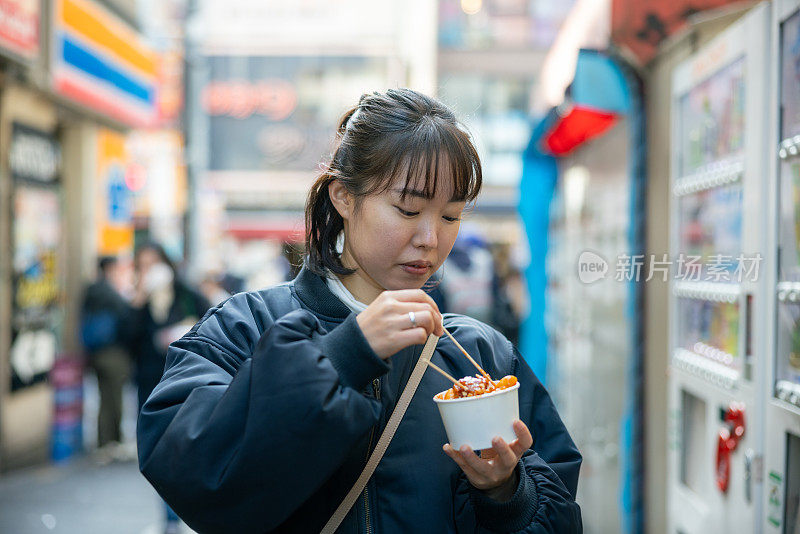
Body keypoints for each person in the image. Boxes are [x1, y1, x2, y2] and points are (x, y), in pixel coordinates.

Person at [137, 89, 582, 533]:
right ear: (344, 198)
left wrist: (506, 493)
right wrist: (343, 355)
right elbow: (192, 474)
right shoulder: (244, 328)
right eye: (408, 209)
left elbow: (559, 509)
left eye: (450, 216)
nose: (430, 238)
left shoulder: (481, 355)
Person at [130, 242, 211, 534]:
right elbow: (127, 338)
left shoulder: (186, 293)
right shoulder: (139, 300)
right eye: (144, 264)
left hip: (183, 379)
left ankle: (183, 517)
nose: (152, 270)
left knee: (183, 450)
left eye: (156, 263)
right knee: (157, 453)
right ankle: (169, 520)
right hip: (150, 382)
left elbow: (210, 320)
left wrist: (185, 331)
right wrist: (140, 298)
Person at [80, 256, 134, 457]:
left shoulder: (91, 290)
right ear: (110, 268)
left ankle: (104, 442)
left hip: (95, 352)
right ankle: (114, 441)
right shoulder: (108, 290)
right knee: (115, 397)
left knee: (104, 397)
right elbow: (126, 312)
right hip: (112, 352)